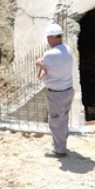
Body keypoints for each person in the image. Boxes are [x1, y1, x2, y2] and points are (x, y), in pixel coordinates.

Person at [35, 23, 74, 158]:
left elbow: (41, 76)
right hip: (68, 90)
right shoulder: (68, 49)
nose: (47, 41)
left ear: (52, 38)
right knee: (63, 119)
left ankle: (59, 150)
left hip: (57, 93)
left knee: (56, 122)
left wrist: (40, 65)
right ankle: (61, 144)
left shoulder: (49, 55)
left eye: (48, 38)